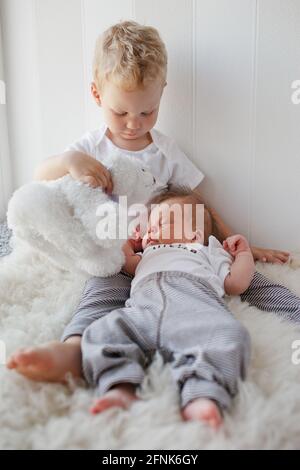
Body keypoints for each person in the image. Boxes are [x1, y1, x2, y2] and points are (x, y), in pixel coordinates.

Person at [7, 20, 300, 384]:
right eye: (121, 112)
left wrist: (238, 242)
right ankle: (75, 346)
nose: (133, 123)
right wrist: (69, 162)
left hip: (173, 249)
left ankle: (294, 310)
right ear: (97, 95)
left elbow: (198, 204)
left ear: (161, 94)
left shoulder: (165, 151)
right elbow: (39, 175)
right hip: (117, 254)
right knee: (101, 292)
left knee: (248, 278)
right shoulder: (91, 147)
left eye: (147, 112)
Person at [81, 188, 254, 429]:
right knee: (101, 331)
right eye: (150, 225)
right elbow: (125, 260)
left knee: (230, 335)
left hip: (196, 312)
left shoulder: (207, 251)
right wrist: (128, 243)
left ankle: (202, 393)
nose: (151, 230)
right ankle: (120, 385)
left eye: (162, 222)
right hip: (142, 311)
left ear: (194, 234)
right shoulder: (147, 254)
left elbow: (236, 284)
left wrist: (244, 254)